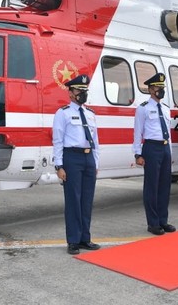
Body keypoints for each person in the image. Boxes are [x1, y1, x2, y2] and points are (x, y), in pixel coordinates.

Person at [52, 74, 101, 255]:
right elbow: (57, 141)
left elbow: (95, 140)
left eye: (84, 90)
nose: (82, 93)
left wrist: (95, 162)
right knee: (73, 200)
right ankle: (73, 240)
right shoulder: (63, 113)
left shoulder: (91, 114)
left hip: (88, 159)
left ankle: (85, 239)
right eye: (79, 90)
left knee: (87, 200)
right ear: (70, 93)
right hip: (71, 158)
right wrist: (59, 165)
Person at [133, 73, 176, 236]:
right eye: (158, 87)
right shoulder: (143, 108)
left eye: (162, 88)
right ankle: (153, 223)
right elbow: (138, 132)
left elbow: (168, 134)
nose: (160, 90)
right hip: (151, 148)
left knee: (165, 186)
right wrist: (138, 154)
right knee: (152, 186)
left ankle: (163, 220)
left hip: (164, 148)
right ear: (150, 89)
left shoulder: (165, 108)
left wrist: (170, 153)